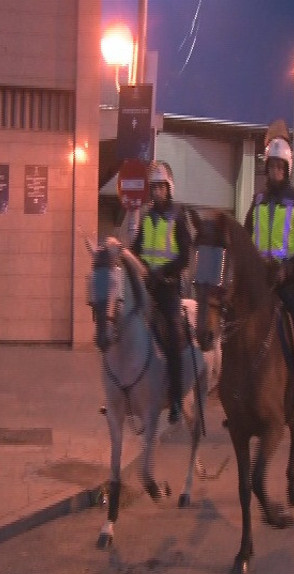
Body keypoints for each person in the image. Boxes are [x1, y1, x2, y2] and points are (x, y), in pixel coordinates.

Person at [244, 134, 294, 441]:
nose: (275, 172)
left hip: (287, 284)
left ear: (287, 169)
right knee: (233, 326)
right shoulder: (258, 200)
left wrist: (288, 270)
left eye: (280, 167)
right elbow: (247, 235)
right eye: (271, 166)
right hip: (259, 282)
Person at [130, 160, 191, 424]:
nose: (156, 193)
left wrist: (163, 273)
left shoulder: (178, 216)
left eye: (160, 188)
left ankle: (176, 398)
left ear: (169, 189)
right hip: (147, 287)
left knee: (175, 338)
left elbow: (185, 256)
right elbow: (135, 249)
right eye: (153, 188)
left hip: (167, 289)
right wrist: (133, 262)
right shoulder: (146, 218)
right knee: (126, 330)